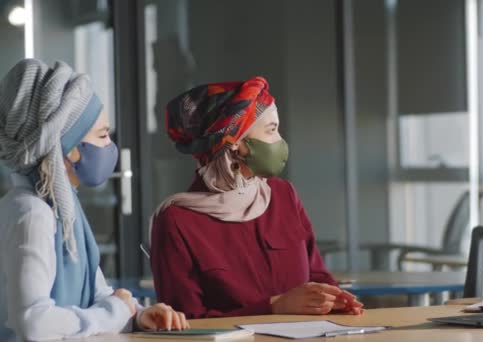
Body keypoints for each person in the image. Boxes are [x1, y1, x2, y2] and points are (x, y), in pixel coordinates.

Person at [0, 59, 189, 342]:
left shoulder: (63, 205)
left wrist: (137, 315)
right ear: (67, 147)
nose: (110, 146)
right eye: (102, 135)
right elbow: (33, 323)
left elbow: (97, 293)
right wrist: (114, 312)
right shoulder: (31, 213)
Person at [150, 77, 363, 318]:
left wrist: (334, 299)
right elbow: (185, 323)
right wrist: (274, 307)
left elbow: (317, 276)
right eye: (272, 130)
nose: (281, 141)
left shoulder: (284, 195)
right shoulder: (176, 220)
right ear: (235, 142)